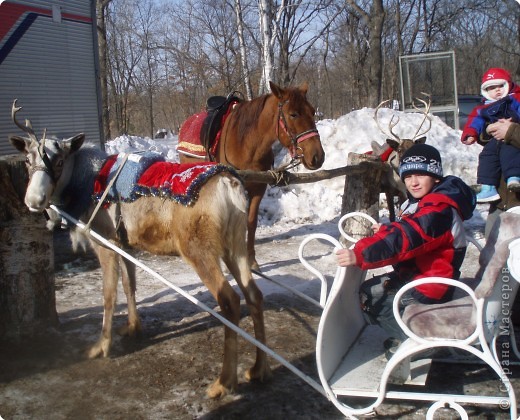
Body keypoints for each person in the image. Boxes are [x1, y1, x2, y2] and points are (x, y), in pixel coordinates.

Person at [336, 143, 476, 354]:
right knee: (371, 290)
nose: (413, 182)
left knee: (370, 299)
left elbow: (410, 236)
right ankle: (414, 335)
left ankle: (420, 345)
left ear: (435, 176)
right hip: (423, 275)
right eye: (408, 176)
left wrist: (360, 254)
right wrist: (388, 229)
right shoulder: (427, 202)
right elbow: (414, 229)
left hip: (430, 285)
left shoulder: (439, 210)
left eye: (420, 175)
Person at [460, 67, 520, 203]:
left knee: (510, 152)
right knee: (486, 155)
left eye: (501, 86)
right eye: (492, 87)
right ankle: (488, 186)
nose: (497, 90)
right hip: (495, 140)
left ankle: (514, 177)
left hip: (510, 139)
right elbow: (475, 121)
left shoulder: (514, 99)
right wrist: (472, 133)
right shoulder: (483, 107)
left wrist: (512, 129)